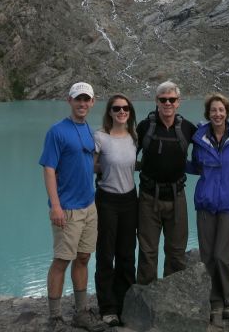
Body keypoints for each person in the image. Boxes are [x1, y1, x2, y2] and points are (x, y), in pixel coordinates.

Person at [39, 82, 107, 332]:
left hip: (89, 206)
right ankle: (55, 318)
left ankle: (81, 312)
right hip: (67, 208)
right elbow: (48, 169)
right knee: (61, 261)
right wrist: (55, 206)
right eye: (78, 99)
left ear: (92, 102)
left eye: (86, 99)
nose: (82, 104)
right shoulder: (57, 131)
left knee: (83, 257)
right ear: (69, 101)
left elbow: (89, 162)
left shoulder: (88, 129)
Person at [189, 93, 229, 327]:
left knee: (223, 256)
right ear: (207, 113)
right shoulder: (199, 138)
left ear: (227, 112)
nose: (217, 114)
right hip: (205, 202)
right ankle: (215, 302)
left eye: (221, 110)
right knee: (208, 256)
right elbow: (195, 165)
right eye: (213, 110)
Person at [135, 80, 197, 285]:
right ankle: (145, 298)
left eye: (172, 99)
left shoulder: (187, 128)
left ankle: (173, 299)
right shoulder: (145, 127)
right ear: (157, 101)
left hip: (177, 196)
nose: (168, 103)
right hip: (148, 197)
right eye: (163, 99)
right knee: (147, 251)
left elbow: (207, 153)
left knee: (176, 252)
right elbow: (125, 155)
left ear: (178, 102)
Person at [93, 94, 139, 327]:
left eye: (125, 108)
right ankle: (108, 306)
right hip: (107, 200)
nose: (122, 111)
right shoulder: (100, 137)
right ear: (109, 112)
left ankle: (126, 302)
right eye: (116, 108)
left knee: (127, 253)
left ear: (130, 112)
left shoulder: (134, 137)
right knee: (106, 253)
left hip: (130, 199)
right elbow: (90, 165)